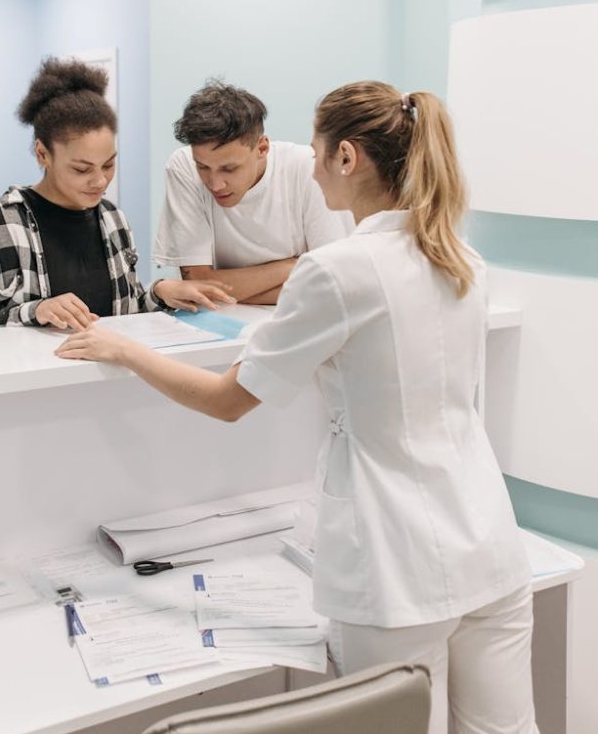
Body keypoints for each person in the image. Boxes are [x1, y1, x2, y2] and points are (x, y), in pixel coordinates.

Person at [57, 80, 537, 734]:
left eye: (315, 154)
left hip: (397, 566)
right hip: (489, 543)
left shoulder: (341, 270)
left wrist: (121, 349)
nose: (307, 169)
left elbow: (227, 401)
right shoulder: (463, 261)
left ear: (346, 158)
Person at [0, 58, 232, 331]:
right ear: (43, 154)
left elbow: (125, 311)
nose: (100, 181)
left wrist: (158, 293)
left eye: (109, 164)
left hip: (107, 376)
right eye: (81, 169)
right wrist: (36, 311)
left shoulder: (113, 218)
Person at [154, 80, 352, 304]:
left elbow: (330, 281)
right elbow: (199, 283)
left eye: (229, 169)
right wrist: (294, 266)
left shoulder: (307, 166)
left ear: (262, 148)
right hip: (221, 327)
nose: (215, 184)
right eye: (203, 167)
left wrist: (235, 292)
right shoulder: (183, 166)